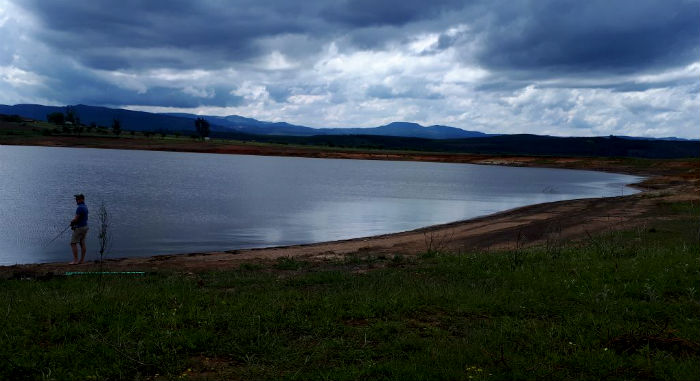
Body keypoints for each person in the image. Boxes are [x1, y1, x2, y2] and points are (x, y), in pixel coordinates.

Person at [69, 194, 89, 264]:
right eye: (76, 199)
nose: (76, 200)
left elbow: (76, 219)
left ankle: (75, 260)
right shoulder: (85, 206)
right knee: (82, 243)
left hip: (80, 228)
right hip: (85, 227)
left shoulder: (79, 208)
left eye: (78, 199)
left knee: (73, 243)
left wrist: (72, 222)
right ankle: (82, 260)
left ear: (82, 199)